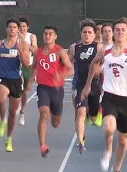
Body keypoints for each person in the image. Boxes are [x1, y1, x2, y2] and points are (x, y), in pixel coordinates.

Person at [81, 17, 127, 172]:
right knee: (109, 128)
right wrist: (88, 85)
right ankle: (108, 149)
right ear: (113, 32)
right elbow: (93, 65)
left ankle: (117, 169)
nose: (119, 32)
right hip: (109, 96)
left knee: (123, 140)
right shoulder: (106, 50)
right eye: (117, 29)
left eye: (123, 30)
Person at [26, 25, 74, 158]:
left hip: (57, 89)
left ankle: (55, 113)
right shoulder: (38, 52)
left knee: (55, 122)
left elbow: (71, 70)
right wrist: (30, 82)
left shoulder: (60, 52)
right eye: (45, 34)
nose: (48, 36)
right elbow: (34, 67)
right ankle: (42, 145)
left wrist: (60, 76)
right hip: (43, 88)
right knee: (44, 113)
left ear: (55, 36)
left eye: (50, 34)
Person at [0, 18, 30, 152]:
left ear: (18, 30)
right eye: (10, 27)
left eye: (14, 27)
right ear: (6, 29)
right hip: (3, 78)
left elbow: (26, 64)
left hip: (16, 80)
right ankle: (2, 120)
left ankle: (9, 139)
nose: (12, 29)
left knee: (12, 112)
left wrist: (20, 51)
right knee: (1, 101)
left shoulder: (22, 44)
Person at [68, 20, 103, 153]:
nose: (87, 35)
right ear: (80, 34)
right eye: (84, 32)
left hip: (95, 85)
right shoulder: (74, 47)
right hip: (79, 84)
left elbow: (105, 65)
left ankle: (95, 113)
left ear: (94, 35)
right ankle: (81, 141)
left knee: (92, 117)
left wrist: (97, 70)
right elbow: (67, 63)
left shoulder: (99, 47)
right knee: (80, 112)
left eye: (89, 32)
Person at [17, 17, 38, 125]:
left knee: (25, 92)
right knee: (18, 88)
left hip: (28, 66)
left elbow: (35, 51)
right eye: (20, 26)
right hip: (16, 66)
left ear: (27, 27)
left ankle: (22, 111)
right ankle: (16, 104)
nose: (22, 29)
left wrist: (24, 41)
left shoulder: (31, 36)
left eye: (24, 26)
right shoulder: (13, 36)